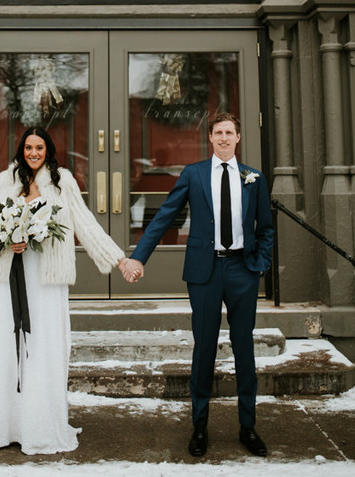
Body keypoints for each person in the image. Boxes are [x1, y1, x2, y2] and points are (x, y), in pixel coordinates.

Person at [120, 112, 274, 458]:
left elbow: (265, 227)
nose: (223, 138)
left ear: (238, 137)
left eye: (229, 132)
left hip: (241, 271)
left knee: (244, 347)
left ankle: (248, 426)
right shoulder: (193, 174)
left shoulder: (254, 178)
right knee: (204, 347)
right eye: (217, 132)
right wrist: (139, 257)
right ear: (210, 138)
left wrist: (260, 264)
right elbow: (164, 216)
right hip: (204, 273)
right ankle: (200, 425)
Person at [0, 126, 128, 455]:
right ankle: (9, 428)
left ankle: (42, 427)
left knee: (45, 349)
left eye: (40, 147)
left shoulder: (62, 181)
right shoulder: (5, 181)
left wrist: (117, 259)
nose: (33, 153)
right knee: (13, 348)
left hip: (48, 279)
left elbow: (85, 222)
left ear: (48, 150)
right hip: (15, 276)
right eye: (28, 147)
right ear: (21, 150)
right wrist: (8, 241)